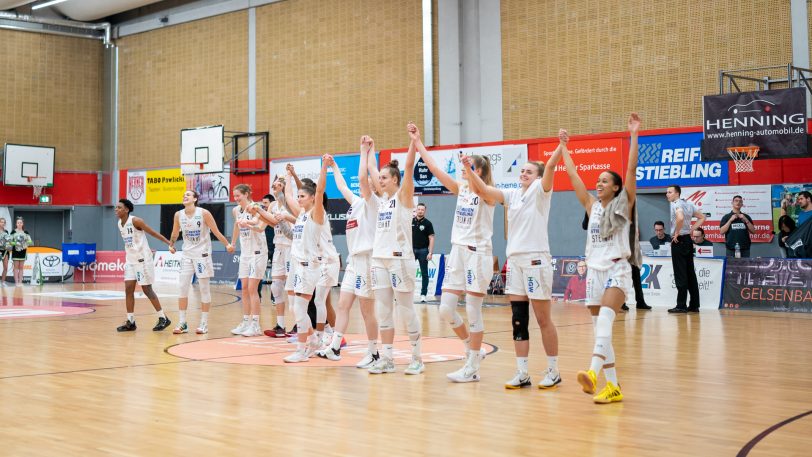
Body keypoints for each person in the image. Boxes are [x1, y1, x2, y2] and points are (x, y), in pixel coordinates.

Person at [464, 131, 564, 389]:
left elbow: (551, 166)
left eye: (529, 172)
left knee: (543, 319)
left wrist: (560, 145)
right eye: (522, 171)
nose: (523, 174)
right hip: (516, 263)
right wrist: (468, 168)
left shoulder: (542, 192)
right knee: (518, 319)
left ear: (539, 177)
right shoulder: (512, 194)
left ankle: (553, 370)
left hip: (535, 261)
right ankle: (522, 372)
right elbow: (485, 189)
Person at [562, 113, 642, 404]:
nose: (599, 183)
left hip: (616, 269)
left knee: (605, 323)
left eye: (605, 181)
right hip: (593, 271)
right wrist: (563, 149)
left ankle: (593, 374)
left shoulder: (624, 202)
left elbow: (631, 169)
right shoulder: (592, 206)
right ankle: (614, 386)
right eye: (598, 180)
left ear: (616, 187)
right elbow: (574, 179)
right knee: (600, 331)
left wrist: (633, 135)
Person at [409, 127, 494, 383]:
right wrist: (418, 142)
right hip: (458, 252)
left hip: (477, 254)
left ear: (477, 171)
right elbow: (435, 169)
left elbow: (481, 188)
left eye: (467, 167)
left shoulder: (488, 193)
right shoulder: (462, 189)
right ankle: (471, 349)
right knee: (445, 309)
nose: (460, 170)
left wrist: (469, 168)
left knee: (473, 310)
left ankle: (472, 365)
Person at [315, 136, 381, 365]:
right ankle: (334, 347)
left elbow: (364, 178)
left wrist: (364, 151)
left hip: (368, 260)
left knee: (366, 310)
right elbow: (343, 186)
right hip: (354, 261)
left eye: (371, 185)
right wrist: (333, 167)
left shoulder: (374, 204)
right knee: (343, 305)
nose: (366, 186)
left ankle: (374, 353)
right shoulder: (357, 202)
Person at [367, 123, 423, 375]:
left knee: (406, 308)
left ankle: (417, 357)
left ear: (395, 180)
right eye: (379, 178)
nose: (379, 180)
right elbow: (370, 170)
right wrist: (369, 149)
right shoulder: (384, 201)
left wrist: (413, 141)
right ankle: (387, 359)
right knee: (383, 310)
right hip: (379, 259)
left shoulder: (404, 197)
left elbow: (409, 167)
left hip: (400, 259)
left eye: (384, 177)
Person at [273, 159, 329, 362]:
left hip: (308, 267)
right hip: (296, 266)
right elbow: (287, 195)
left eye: (303, 196)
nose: (299, 199)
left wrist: (324, 168)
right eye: (299, 196)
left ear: (313, 198)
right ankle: (313, 338)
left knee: (299, 309)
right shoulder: (302, 214)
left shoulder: (316, 213)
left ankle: (302, 349)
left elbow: (321, 190)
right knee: (293, 307)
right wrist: (287, 176)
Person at [168, 190, 234, 334]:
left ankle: (203, 323)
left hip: (202, 255)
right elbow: (175, 232)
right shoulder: (178, 215)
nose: (185, 196)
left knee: (204, 289)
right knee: (182, 288)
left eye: (188, 195)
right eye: (183, 194)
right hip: (186, 255)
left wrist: (227, 244)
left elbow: (216, 231)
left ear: (195, 199)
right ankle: (182, 323)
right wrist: (171, 244)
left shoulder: (204, 213)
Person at [114, 199, 172, 332]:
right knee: (128, 289)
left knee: (147, 289)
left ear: (127, 209)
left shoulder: (136, 221)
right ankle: (130, 321)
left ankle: (163, 318)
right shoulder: (119, 223)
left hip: (142, 260)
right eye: (116, 208)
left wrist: (167, 242)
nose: (116, 210)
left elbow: (152, 232)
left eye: (119, 207)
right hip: (130, 260)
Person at [229, 184, 268, 337]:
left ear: (246, 194)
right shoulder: (235, 210)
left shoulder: (255, 207)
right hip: (245, 253)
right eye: (234, 195)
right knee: (244, 288)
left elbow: (260, 227)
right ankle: (245, 322)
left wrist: (250, 224)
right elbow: (236, 226)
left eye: (238, 195)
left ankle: (256, 324)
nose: (236, 198)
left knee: (252, 288)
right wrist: (232, 243)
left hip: (257, 252)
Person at [263, 179, 296, 338]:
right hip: (278, 247)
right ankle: (281, 326)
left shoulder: (292, 203)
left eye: (278, 184)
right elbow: (270, 222)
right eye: (273, 184)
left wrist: (259, 212)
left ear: (284, 187)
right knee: (276, 287)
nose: (274, 186)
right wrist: (258, 213)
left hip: (291, 247)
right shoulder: (272, 205)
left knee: (292, 288)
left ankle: (298, 325)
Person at [665, 184, 706, 314]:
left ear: (677, 193)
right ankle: (694, 305)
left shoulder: (676, 204)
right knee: (690, 274)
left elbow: (680, 218)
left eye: (670, 192)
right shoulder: (689, 204)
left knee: (680, 274)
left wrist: (677, 232)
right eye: (667, 192)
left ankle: (681, 305)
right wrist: (691, 230)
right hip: (687, 240)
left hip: (680, 240)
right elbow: (702, 217)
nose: (667, 194)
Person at [412, 202, 435, 302]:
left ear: (425, 211)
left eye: (422, 209)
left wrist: (430, 252)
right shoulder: (411, 221)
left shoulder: (428, 223)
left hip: (423, 251)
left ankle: (423, 295)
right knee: (407, 272)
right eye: (419, 209)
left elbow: (432, 238)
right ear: (416, 210)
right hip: (411, 251)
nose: (420, 211)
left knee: (424, 273)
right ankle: (404, 294)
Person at [9, 217, 32, 287]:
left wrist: (24, 243)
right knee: (16, 267)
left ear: (22, 224)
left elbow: (30, 241)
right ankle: (16, 282)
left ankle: (20, 282)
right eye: (18, 223)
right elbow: (10, 241)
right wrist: (16, 243)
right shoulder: (13, 232)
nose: (19, 224)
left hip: (23, 251)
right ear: (16, 224)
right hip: (15, 251)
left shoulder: (26, 232)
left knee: (21, 267)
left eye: (20, 223)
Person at [0, 218, 10, 286]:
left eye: (4, 222)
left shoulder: (6, 231)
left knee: (6, 267)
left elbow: (8, 241)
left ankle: (2, 282)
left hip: (5, 251)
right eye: (1, 222)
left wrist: (9, 245)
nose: (3, 223)